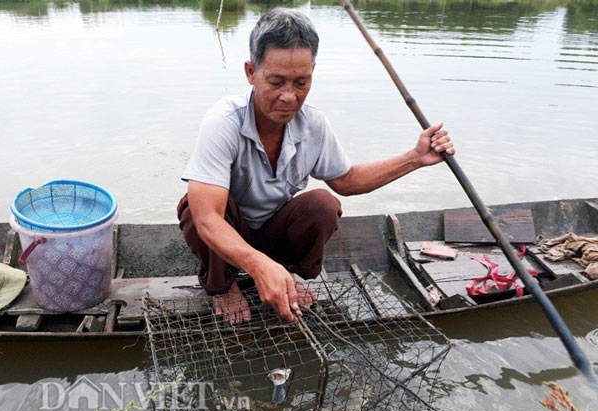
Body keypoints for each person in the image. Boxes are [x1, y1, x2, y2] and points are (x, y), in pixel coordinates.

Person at [177, 8, 455, 325]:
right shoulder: (223, 122)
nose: (289, 97)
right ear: (251, 72)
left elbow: (347, 181)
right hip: (229, 233)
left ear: (312, 74)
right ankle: (223, 285)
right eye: (276, 81)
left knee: (323, 204)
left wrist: (415, 158)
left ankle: (288, 274)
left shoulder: (314, 124)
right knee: (198, 207)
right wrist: (257, 266)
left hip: (273, 231)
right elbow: (207, 219)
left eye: (301, 82)